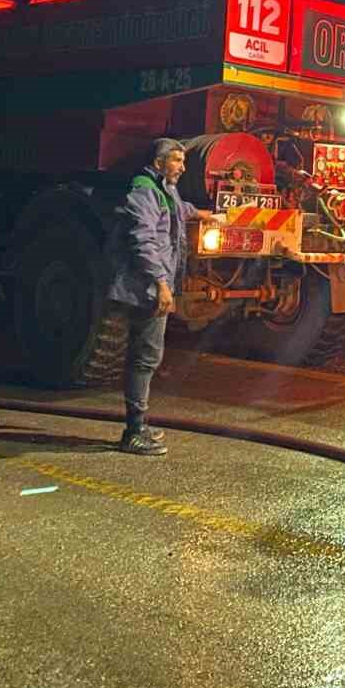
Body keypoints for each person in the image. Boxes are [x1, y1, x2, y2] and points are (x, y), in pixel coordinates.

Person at [106, 137, 224, 455]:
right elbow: (143, 239)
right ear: (158, 163)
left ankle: (139, 425)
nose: (182, 168)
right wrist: (160, 283)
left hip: (152, 284)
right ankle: (134, 432)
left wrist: (200, 214)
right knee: (145, 357)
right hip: (146, 287)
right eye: (176, 160)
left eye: (183, 161)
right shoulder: (144, 189)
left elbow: (176, 210)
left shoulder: (164, 189)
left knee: (147, 356)